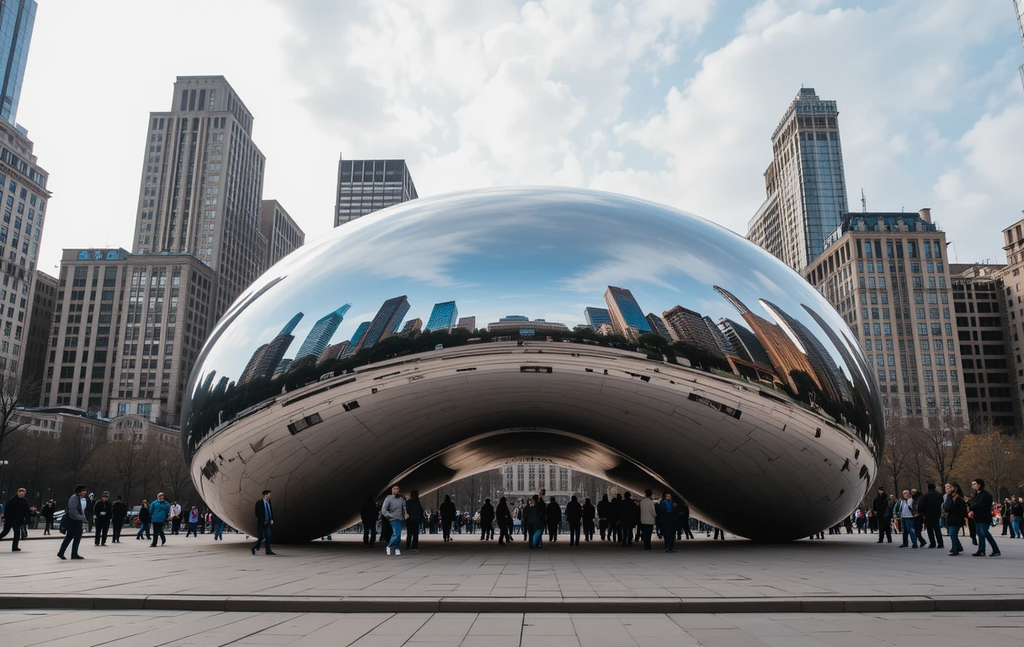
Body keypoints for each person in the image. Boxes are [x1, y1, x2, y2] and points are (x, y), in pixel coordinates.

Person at [969, 478, 1000, 557]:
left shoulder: (985, 495)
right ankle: (981, 550)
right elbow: (973, 503)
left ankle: (996, 550)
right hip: (978, 517)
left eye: (974, 484)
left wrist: (971, 507)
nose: (973, 486)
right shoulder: (977, 494)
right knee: (980, 533)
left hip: (984, 517)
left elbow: (979, 504)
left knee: (985, 532)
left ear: (979, 484)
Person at [58, 485, 88, 560]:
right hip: (73, 521)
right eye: (83, 491)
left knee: (73, 537)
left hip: (75, 520)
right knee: (72, 537)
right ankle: (70, 553)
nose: (85, 492)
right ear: (79, 492)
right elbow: (73, 510)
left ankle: (64, 552)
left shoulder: (77, 498)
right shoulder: (74, 498)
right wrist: (81, 518)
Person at [381, 484, 408, 556]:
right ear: (392, 490)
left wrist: (405, 514)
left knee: (398, 534)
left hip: (399, 518)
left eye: (397, 489)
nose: (396, 490)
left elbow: (404, 508)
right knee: (396, 534)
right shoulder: (388, 498)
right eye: (394, 489)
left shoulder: (401, 499)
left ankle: (397, 548)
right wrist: (390, 515)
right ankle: (389, 546)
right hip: (393, 519)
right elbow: (383, 510)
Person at [943, 483, 966, 556]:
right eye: (946, 487)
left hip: (956, 518)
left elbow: (949, 507)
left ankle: (955, 548)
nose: (947, 488)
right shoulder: (949, 496)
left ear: (954, 488)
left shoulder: (956, 498)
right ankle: (958, 547)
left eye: (949, 487)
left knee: (953, 534)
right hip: (952, 517)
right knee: (953, 534)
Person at [919, 483, 944, 549]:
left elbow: (921, 505)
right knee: (937, 529)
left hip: (928, 514)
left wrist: (921, 512)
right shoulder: (939, 495)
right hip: (937, 513)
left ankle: (933, 543)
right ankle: (940, 543)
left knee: (930, 530)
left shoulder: (925, 495)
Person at [251, 490, 276, 555]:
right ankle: (254, 547)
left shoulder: (269, 502)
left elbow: (270, 511)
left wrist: (271, 519)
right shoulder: (259, 503)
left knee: (268, 536)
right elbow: (256, 513)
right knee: (261, 537)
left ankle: (268, 550)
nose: (270, 496)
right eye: (269, 494)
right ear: (265, 495)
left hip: (267, 522)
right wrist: (261, 518)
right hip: (261, 523)